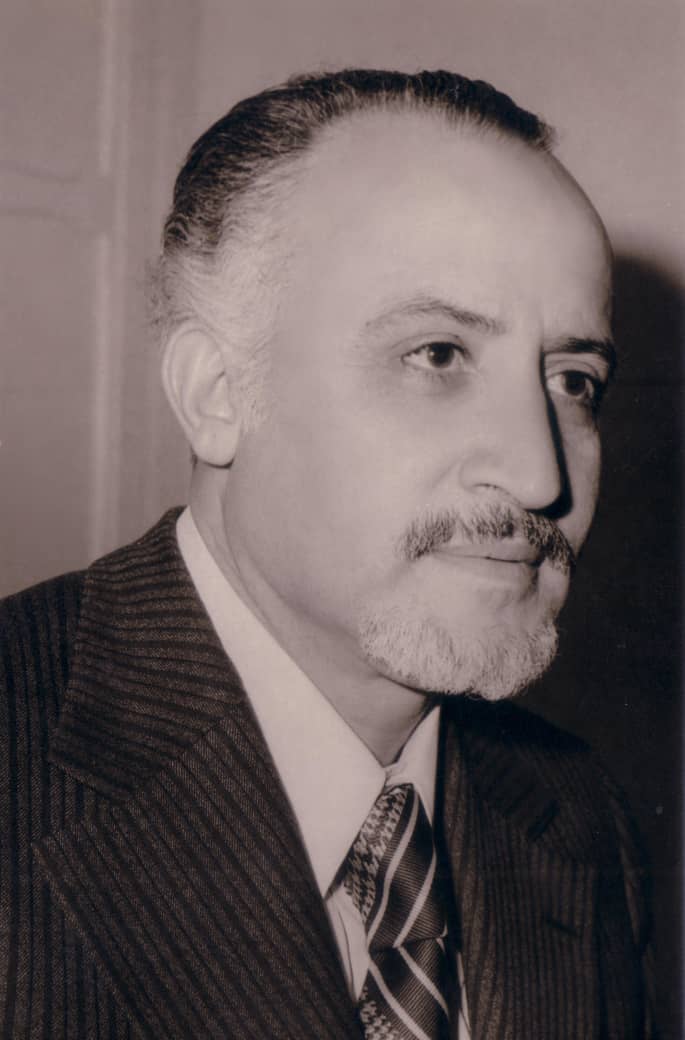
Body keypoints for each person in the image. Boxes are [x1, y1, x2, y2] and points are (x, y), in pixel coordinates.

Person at [1, 69, 655, 1039]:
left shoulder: (579, 816)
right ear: (217, 391)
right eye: (437, 355)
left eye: (571, 380)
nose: (536, 474)